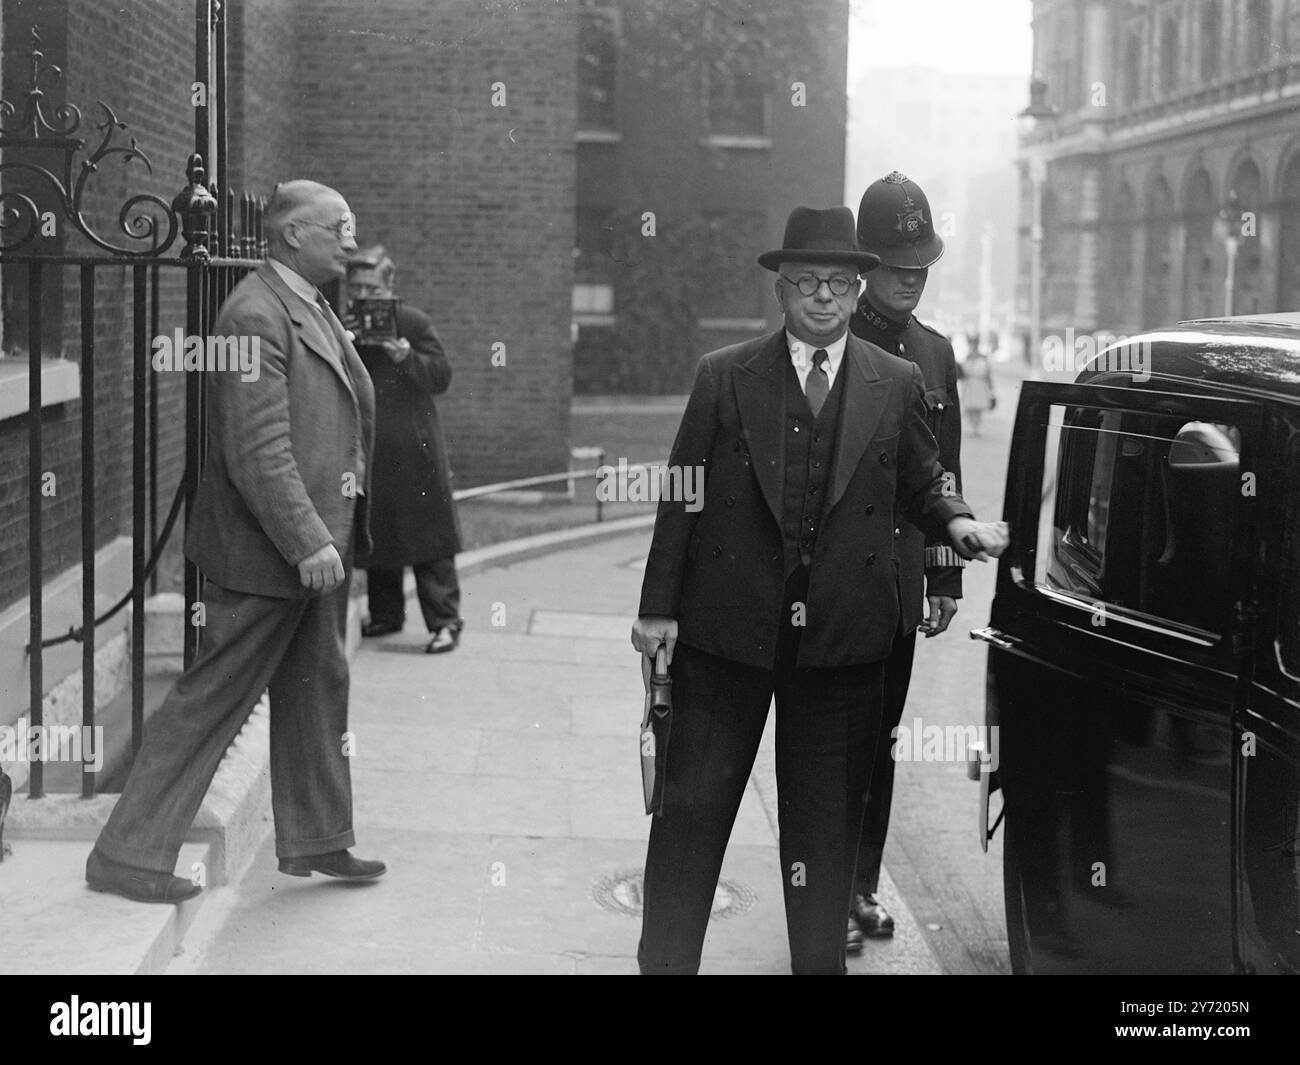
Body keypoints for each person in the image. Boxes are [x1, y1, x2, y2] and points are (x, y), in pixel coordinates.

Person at [630, 205, 1009, 974]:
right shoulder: (725, 375)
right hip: (724, 637)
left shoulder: (896, 380)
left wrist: (958, 523)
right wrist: (657, 608)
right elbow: (683, 494)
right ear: (781, 288)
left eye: (840, 282)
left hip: (840, 644)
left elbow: (923, 477)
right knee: (691, 817)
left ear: (857, 285)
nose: (825, 297)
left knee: (825, 832)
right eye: (808, 281)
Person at [85, 179, 386, 903]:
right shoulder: (252, 315)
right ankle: (126, 854)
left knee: (318, 689)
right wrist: (308, 540)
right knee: (212, 697)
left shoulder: (308, 304)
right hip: (274, 554)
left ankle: (320, 837)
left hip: (316, 548)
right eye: (336, 226)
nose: (349, 237)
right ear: (290, 237)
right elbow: (258, 448)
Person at [845, 170, 967, 950]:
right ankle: (819, 887)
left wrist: (945, 574)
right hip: (827, 583)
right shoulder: (833, 336)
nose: (912, 277)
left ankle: (859, 885)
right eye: (897, 264)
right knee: (827, 741)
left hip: (897, 582)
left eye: (921, 262)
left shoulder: (936, 352)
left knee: (880, 738)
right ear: (864, 264)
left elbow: (944, 470)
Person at [345, 245, 464, 654]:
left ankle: (445, 621)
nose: (363, 296)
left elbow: (441, 376)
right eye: (356, 287)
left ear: (390, 285)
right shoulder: (345, 325)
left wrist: (407, 356)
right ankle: (386, 614)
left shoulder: (411, 322)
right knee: (380, 532)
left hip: (416, 449)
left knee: (429, 539)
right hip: (373, 446)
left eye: (371, 288)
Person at [961, 347, 996, 437]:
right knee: (970, 408)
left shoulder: (983, 362)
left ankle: (977, 427)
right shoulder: (967, 362)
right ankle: (973, 427)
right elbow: (962, 374)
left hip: (980, 387)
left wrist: (991, 388)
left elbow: (988, 376)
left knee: (978, 408)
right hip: (970, 387)